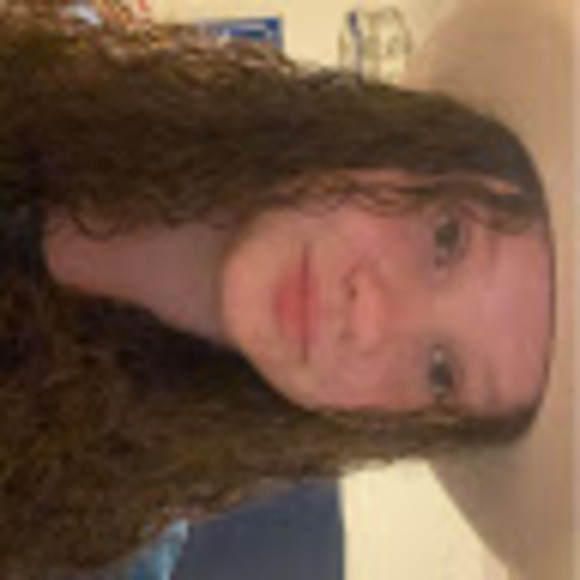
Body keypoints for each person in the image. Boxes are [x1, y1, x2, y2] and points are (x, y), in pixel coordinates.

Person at [0, 1, 555, 577]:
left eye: (441, 373)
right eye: (447, 238)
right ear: (402, 149)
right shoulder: (44, 53)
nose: (370, 319)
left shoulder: (70, 539)